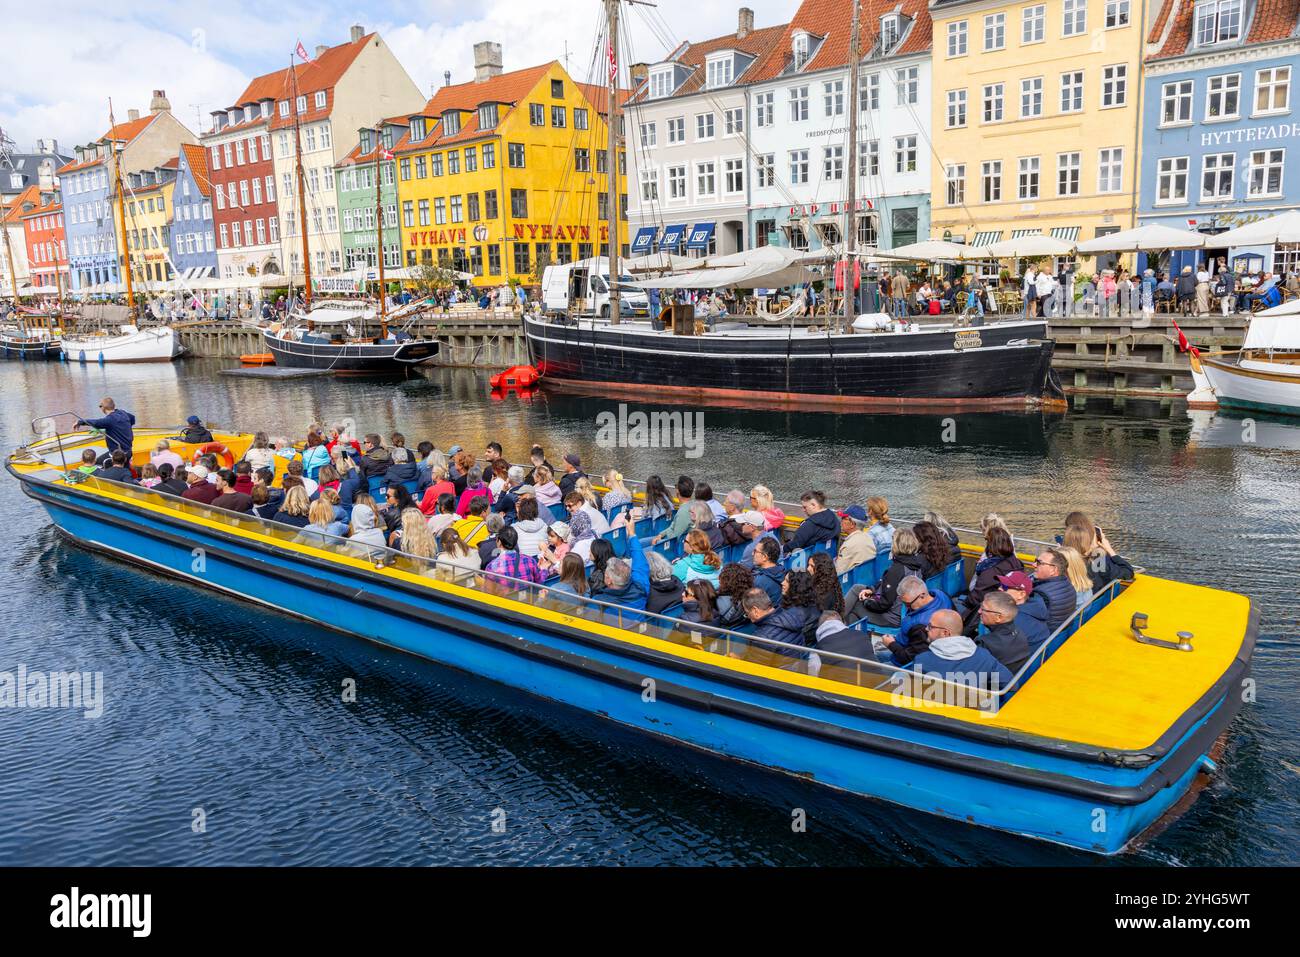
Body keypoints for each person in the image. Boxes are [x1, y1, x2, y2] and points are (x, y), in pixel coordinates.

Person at [907, 609, 1012, 694]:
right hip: (972, 714)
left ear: (945, 633)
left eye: (930, 626)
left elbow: (909, 691)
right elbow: (1010, 684)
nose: (926, 629)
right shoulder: (984, 656)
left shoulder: (923, 660)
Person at [844, 527, 930, 628]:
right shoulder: (916, 566)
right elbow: (888, 590)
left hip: (889, 617)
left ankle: (838, 626)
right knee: (857, 588)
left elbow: (884, 604)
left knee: (853, 607)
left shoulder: (897, 570)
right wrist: (872, 591)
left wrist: (866, 601)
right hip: (902, 611)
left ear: (897, 545)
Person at [881, 577, 955, 665]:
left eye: (908, 604)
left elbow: (911, 659)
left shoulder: (922, 627)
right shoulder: (941, 594)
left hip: (903, 662)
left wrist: (891, 644)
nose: (906, 607)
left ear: (922, 596)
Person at [1062, 519, 1135, 592]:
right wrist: (1109, 550)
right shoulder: (1097, 561)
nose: (1103, 536)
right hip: (1098, 600)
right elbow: (1128, 572)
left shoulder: (1062, 561)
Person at [742, 588, 810, 665]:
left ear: (755, 611)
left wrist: (738, 660)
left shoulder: (762, 638)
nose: (748, 617)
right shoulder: (789, 616)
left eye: (747, 613)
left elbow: (752, 670)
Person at [965, 525, 1022, 614]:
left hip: (985, 609)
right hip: (1005, 606)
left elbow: (976, 598)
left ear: (991, 545)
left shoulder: (990, 570)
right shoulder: (1016, 562)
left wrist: (966, 603)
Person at [976, 591, 1031, 673]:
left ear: (999, 617)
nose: (979, 611)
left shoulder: (985, 644)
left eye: (983, 609)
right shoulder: (1020, 633)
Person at [997, 570, 1051, 651]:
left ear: (1021, 594)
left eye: (1005, 587)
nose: (999, 588)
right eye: (1000, 585)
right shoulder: (1034, 607)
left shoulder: (1013, 620)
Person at [1029, 549, 1075, 630]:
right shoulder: (1068, 584)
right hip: (1061, 633)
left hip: (1047, 638)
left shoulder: (1041, 593)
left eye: (1039, 563)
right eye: (1035, 561)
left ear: (1053, 570)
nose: (1034, 565)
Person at [749, 537, 787, 606]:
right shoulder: (783, 571)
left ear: (765, 557)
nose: (752, 554)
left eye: (755, 551)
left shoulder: (759, 582)